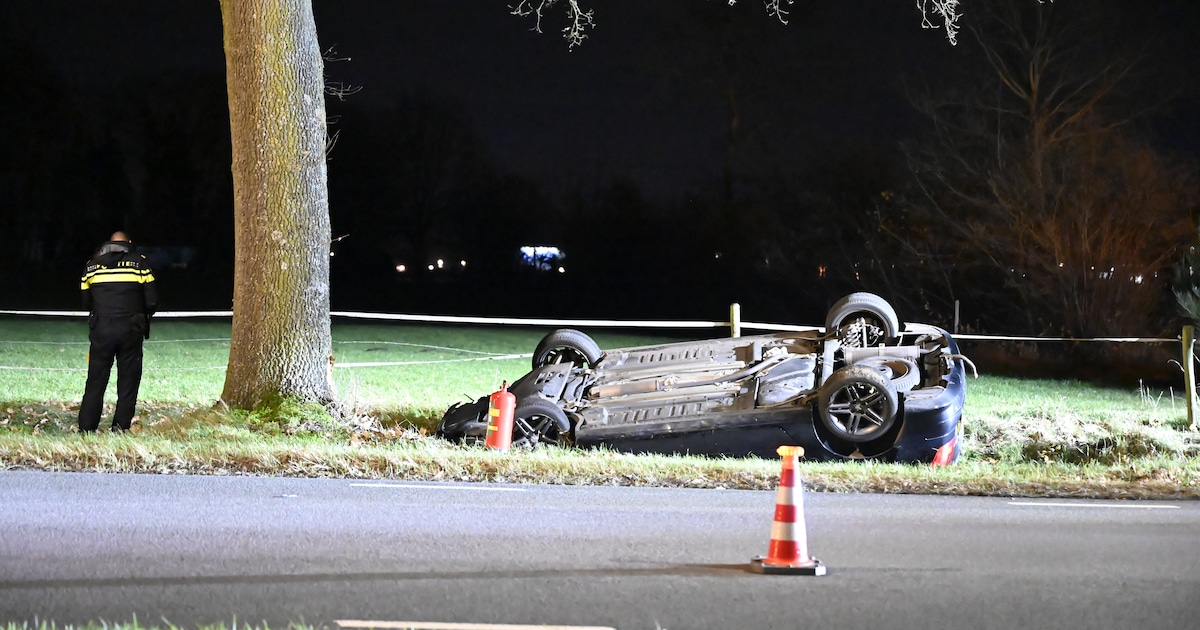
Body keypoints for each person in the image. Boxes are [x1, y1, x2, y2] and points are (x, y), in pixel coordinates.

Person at [77, 231, 158, 433]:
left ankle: (87, 428)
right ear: (129, 243)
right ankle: (120, 428)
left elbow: (86, 301)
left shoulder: (91, 266)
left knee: (95, 379)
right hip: (131, 328)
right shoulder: (140, 264)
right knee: (128, 380)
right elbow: (153, 300)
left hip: (101, 328)